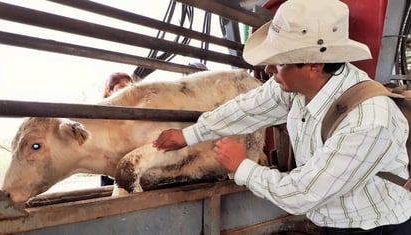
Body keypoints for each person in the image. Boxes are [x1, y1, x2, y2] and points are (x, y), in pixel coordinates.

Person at [152, 0, 411, 234]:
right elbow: (248, 108)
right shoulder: (297, 87)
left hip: (374, 227)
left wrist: (242, 167)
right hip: (332, 219)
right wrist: (189, 135)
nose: (268, 69)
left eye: (279, 61)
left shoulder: (369, 120)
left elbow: (304, 192)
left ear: (313, 65)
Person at [101, 72, 133, 186]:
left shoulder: (133, 112)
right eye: (121, 89)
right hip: (109, 164)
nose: (126, 93)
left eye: (129, 88)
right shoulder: (100, 114)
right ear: (109, 91)